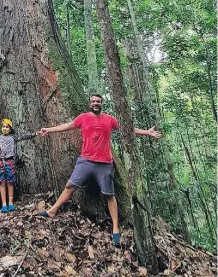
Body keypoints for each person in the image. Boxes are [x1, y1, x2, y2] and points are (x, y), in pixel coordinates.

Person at [37, 93, 162, 247]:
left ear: (101, 103)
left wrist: (147, 132)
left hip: (104, 164)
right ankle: (52, 210)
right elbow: (67, 126)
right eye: (93, 101)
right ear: (90, 104)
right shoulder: (83, 117)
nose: (95, 103)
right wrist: (48, 130)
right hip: (85, 161)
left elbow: (127, 129)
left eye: (98, 101)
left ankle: (115, 228)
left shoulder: (110, 119)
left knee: (109, 195)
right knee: (70, 186)